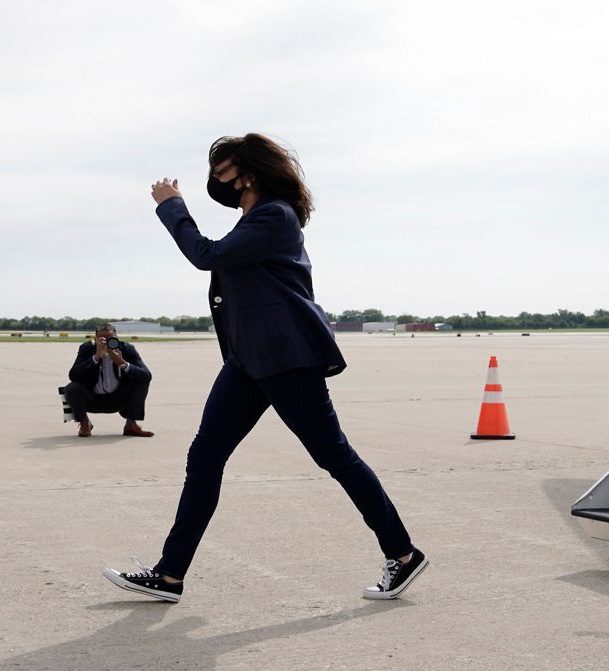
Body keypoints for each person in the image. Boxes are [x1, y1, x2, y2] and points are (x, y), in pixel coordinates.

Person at [103, 133, 427, 604]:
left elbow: (205, 256)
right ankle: (170, 575)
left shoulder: (275, 216)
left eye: (223, 170)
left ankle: (403, 554)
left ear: (249, 173)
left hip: (286, 357)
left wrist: (172, 206)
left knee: (335, 457)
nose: (217, 179)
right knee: (205, 457)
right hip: (249, 360)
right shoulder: (254, 220)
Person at [62, 324, 155, 438]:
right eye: (102, 340)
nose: (107, 343)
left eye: (111, 339)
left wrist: (122, 363)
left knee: (141, 381)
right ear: (95, 339)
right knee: (71, 388)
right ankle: (84, 424)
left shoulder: (126, 349)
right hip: (93, 398)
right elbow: (73, 375)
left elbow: (146, 376)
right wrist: (95, 357)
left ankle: (131, 424)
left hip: (119, 399)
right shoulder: (87, 349)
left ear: (117, 337)